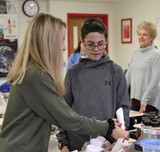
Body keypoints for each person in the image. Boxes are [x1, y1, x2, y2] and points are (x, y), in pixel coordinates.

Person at [0, 13, 129, 152]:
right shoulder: (37, 76)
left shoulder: (33, 72)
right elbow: (65, 116)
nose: (63, 47)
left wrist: (111, 136)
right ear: (49, 42)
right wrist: (107, 127)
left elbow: (60, 114)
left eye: (100, 44)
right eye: (61, 40)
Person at [56, 18, 130, 151]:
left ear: (106, 41)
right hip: (76, 143)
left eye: (100, 44)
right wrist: (63, 143)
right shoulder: (74, 72)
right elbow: (63, 110)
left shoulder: (116, 72)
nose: (96, 49)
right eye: (90, 44)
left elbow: (123, 110)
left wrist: (113, 141)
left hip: (106, 144)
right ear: (82, 42)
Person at [125, 21, 160, 114]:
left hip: (149, 102)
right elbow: (128, 77)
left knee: (146, 128)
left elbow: (155, 80)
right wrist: (120, 94)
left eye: (145, 34)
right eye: (139, 34)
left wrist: (145, 99)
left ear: (152, 37)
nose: (141, 37)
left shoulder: (156, 55)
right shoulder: (135, 53)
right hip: (135, 100)